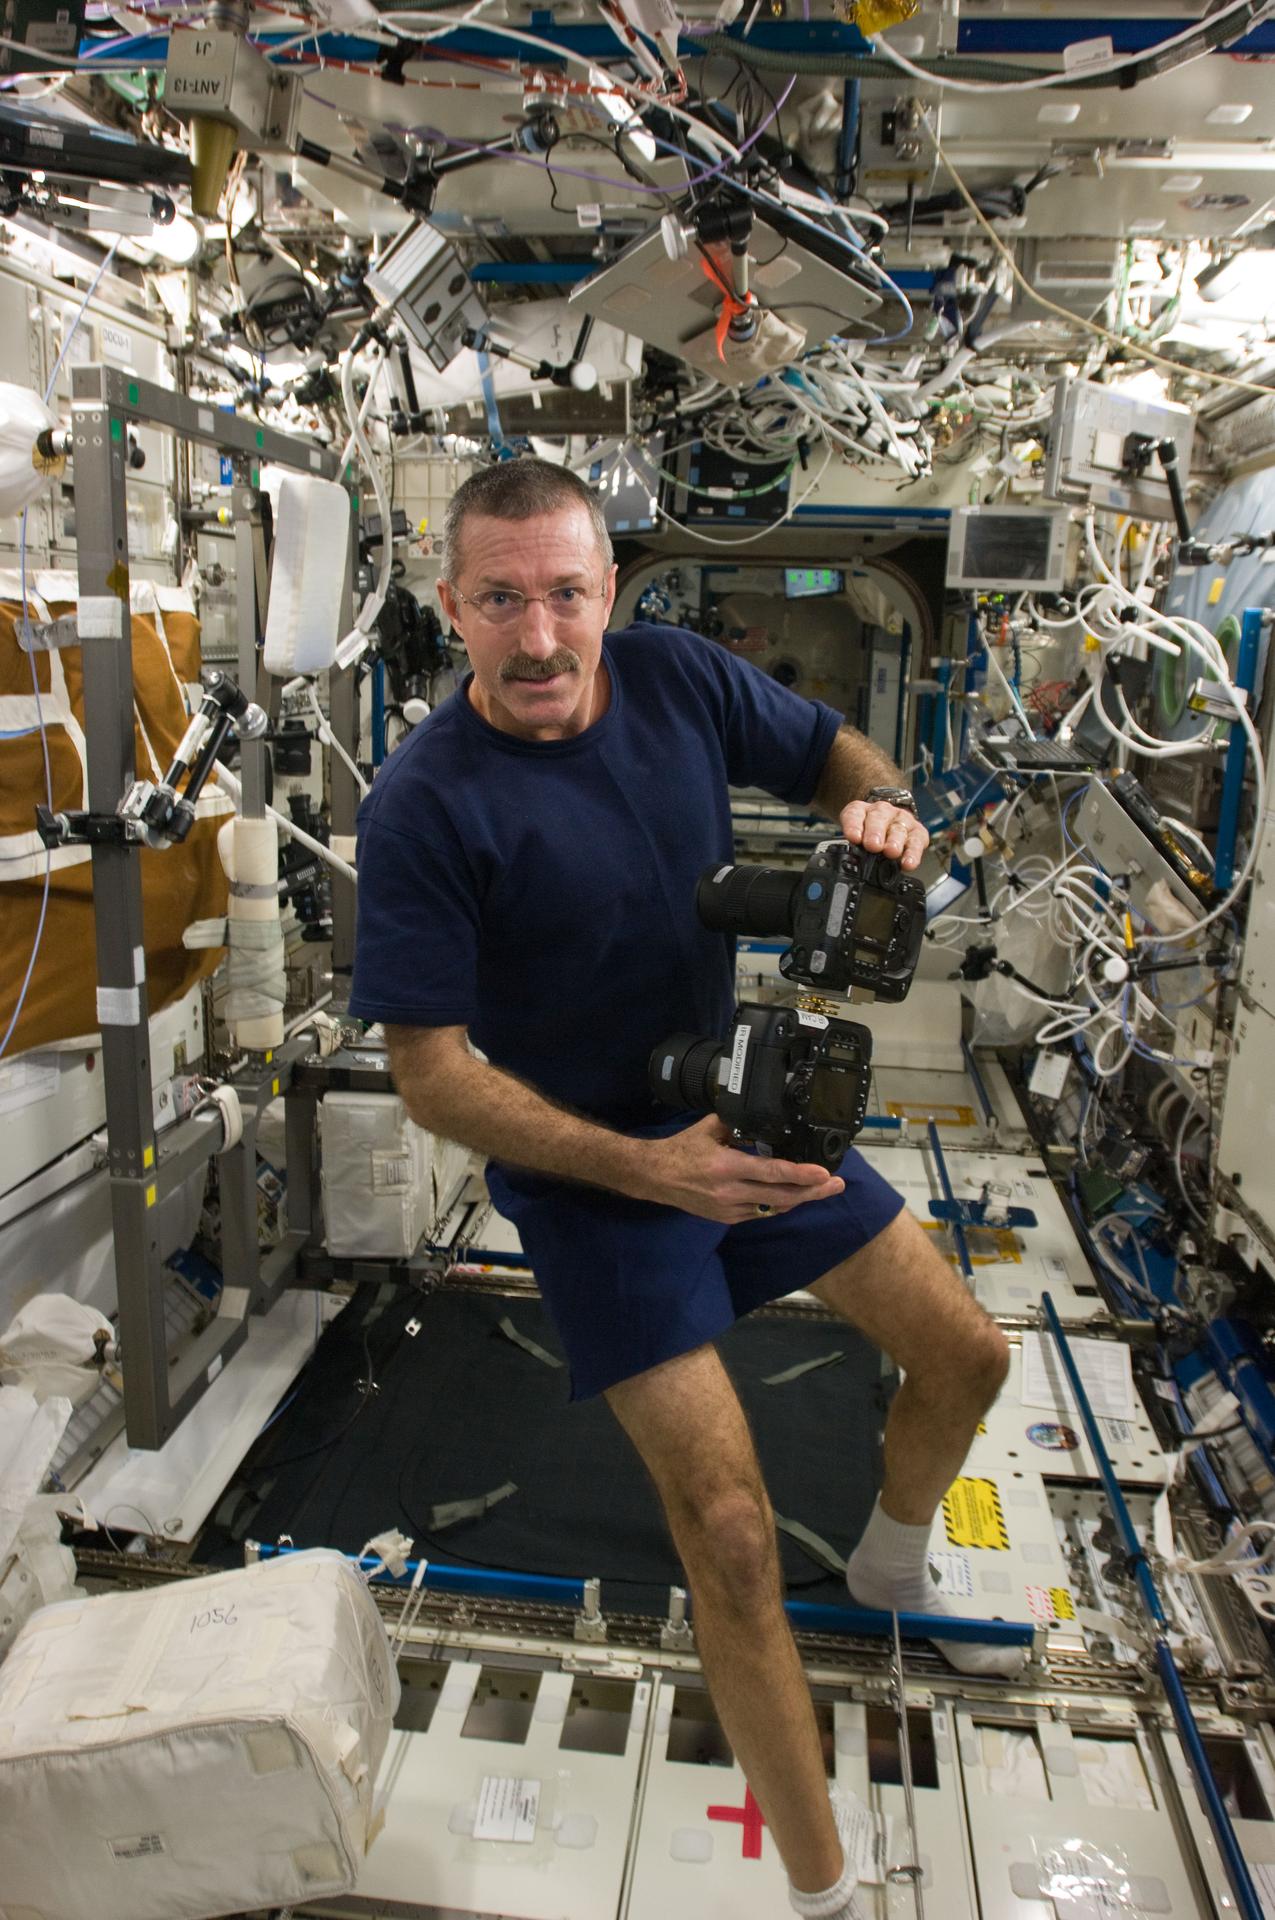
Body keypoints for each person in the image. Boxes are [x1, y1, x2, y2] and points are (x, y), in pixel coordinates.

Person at [349, 458, 1016, 1920]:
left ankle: (895, 1571)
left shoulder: (678, 678)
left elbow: (842, 754)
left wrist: (884, 814)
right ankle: (827, 1894)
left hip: (744, 1113)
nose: (540, 637)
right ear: (452, 606)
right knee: (729, 1532)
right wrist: (646, 1168)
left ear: (609, 590)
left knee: (972, 1355)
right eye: (502, 600)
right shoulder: (422, 803)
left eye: (567, 593)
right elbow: (432, 1075)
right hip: (595, 1179)